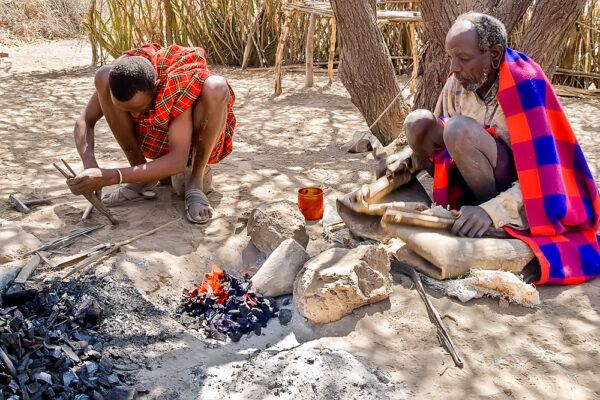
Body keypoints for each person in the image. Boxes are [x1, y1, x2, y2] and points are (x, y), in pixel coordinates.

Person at [379, 12, 600, 285]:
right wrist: (408, 160)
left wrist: (491, 211)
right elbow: (437, 145)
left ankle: (493, 224)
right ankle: (458, 210)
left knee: (458, 129)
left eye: (463, 58)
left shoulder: (526, 85)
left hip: (521, 192)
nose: (454, 66)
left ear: (494, 55)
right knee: (418, 122)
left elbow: (543, 177)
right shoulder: (457, 83)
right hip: (469, 181)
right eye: (451, 57)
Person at [68, 43, 236, 224]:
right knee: (102, 75)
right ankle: (142, 177)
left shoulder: (175, 85)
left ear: (155, 87)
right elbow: (84, 121)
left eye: (140, 109)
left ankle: (195, 182)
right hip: (152, 139)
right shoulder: (120, 76)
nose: (135, 116)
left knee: (216, 86)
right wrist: (90, 166)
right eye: (127, 111)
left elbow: (178, 160)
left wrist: (110, 176)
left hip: (190, 142)